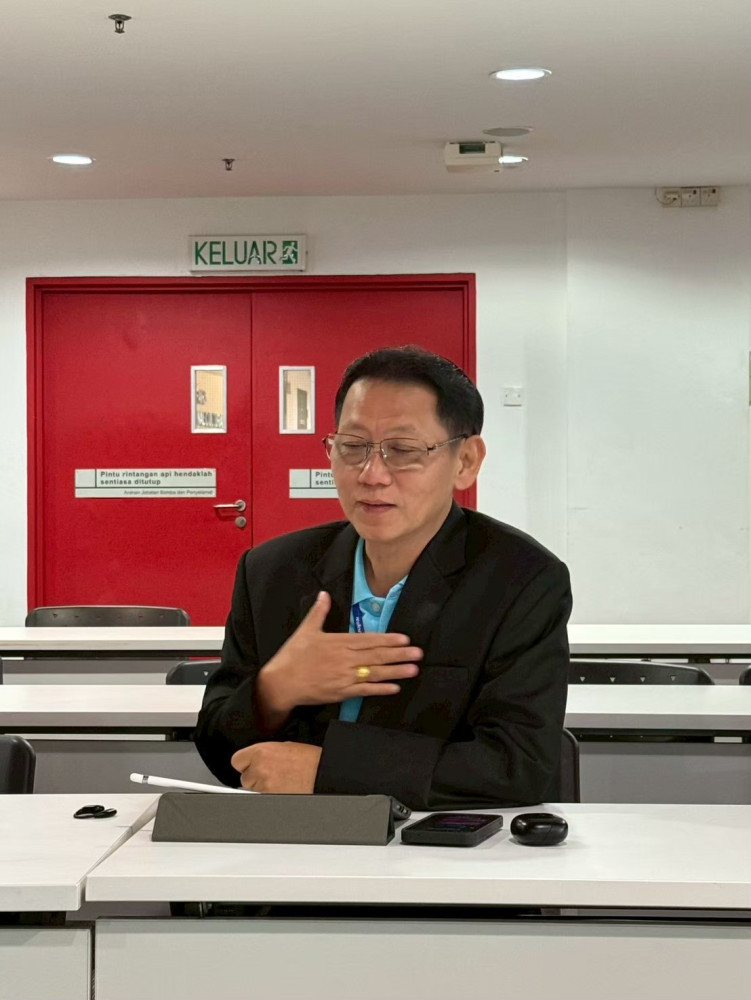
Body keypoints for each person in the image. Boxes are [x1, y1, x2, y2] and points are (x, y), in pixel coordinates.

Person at [195, 346, 572, 809]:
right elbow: (218, 751)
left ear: (466, 461)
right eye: (352, 447)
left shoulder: (520, 580)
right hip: (289, 838)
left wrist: (329, 771)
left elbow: (517, 766)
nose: (372, 475)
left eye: (404, 451)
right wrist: (275, 689)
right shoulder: (272, 571)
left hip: (434, 844)